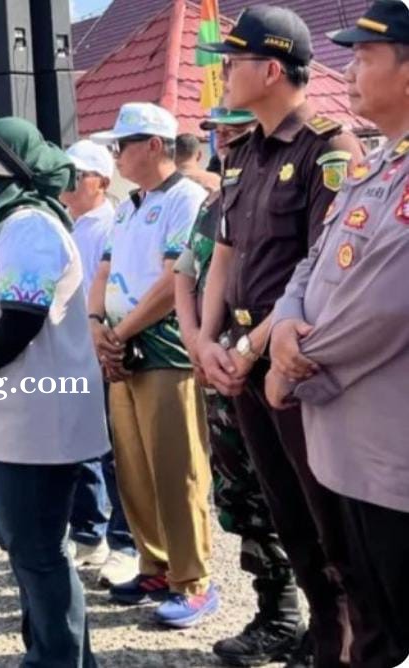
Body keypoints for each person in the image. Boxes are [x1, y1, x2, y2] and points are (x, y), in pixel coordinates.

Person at [196, 6, 366, 665]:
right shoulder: (244, 158)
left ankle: (351, 646)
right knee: (285, 516)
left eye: (232, 65)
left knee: (331, 527)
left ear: (270, 69)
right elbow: (226, 258)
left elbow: (319, 268)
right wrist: (208, 341)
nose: (222, 79)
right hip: (240, 365)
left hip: (293, 369)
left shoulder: (329, 147)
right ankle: (321, 638)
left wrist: (245, 349)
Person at [0, 116, 107, 667]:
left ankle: (54, 661)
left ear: (0, 174)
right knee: (29, 553)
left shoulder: (28, 225)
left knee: (38, 555)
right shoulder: (1, 227)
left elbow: (22, 317)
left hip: (34, 422)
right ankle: (61, 656)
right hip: (3, 420)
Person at [268, 3, 409, 664]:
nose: (347, 70)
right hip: (351, 448)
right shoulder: (373, 166)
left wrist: (293, 358)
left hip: (393, 458)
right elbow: (313, 262)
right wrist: (286, 328)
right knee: (375, 623)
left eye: (363, 57)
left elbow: (388, 301)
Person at [175, 106, 305, 665]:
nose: (224, 140)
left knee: (297, 500)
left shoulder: (291, 185)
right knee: (242, 500)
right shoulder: (214, 202)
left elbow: (302, 277)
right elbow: (184, 274)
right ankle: (276, 615)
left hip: (266, 370)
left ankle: (327, 625)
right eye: (217, 132)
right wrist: (198, 343)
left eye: (237, 131)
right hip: (217, 371)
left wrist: (240, 349)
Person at [88, 102, 217, 627]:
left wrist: (117, 331)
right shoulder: (128, 206)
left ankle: (194, 580)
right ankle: (155, 565)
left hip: (163, 350)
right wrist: (98, 322)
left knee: (177, 469)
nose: (116, 154)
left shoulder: (188, 199)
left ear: (155, 145)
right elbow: (104, 269)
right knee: (135, 470)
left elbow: (173, 283)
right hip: (122, 351)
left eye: (124, 144)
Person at [59, 140, 138, 587]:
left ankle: (125, 541)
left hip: (102, 353)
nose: (68, 182)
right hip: (68, 357)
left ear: (102, 182)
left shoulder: (112, 225)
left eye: (77, 174)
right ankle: (89, 533)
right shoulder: (66, 225)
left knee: (116, 454)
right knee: (78, 450)